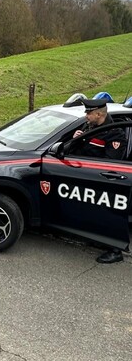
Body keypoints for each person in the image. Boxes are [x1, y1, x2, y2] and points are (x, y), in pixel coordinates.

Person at [71, 98, 128, 264]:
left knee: (109, 212)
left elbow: (111, 162)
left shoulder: (115, 134)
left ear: (98, 114)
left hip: (106, 179)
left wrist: (85, 144)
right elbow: (75, 150)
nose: (86, 116)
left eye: (88, 113)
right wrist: (76, 139)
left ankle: (115, 250)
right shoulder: (88, 126)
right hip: (86, 175)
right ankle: (96, 237)